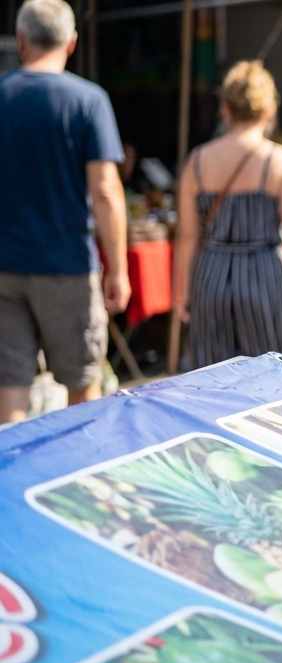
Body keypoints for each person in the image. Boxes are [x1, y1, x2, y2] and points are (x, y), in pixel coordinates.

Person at [0, 0, 128, 424]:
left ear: (20, 40)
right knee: (82, 388)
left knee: (10, 393)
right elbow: (106, 191)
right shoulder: (89, 101)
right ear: (71, 43)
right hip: (67, 267)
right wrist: (119, 268)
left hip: (5, 268)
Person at [173, 61, 282, 370]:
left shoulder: (197, 161)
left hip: (212, 276)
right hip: (265, 275)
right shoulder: (281, 160)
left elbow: (188, 236)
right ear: (269, 110)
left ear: (225, 109)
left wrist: (183, 291)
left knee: (214, 378)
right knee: (276, 376)